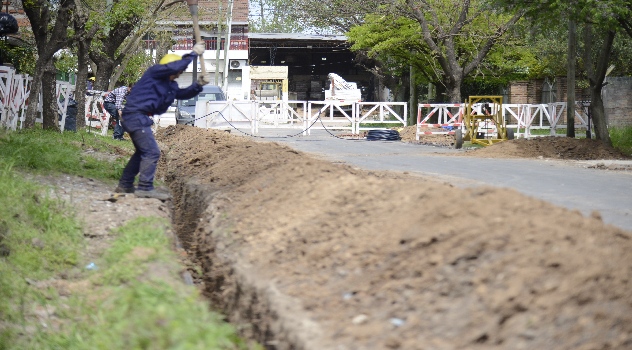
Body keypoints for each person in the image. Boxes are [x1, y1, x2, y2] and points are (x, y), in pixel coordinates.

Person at [115, 42, 209, 200]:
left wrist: (198, 85)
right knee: (152, 152)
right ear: (170, 67)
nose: (179, 73)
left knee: (142, 153)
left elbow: (182, 94)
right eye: (179, 70)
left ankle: (125, 184)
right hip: (135, 115)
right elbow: (174, 67)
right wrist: (193, 54)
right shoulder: (155, 72)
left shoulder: (170, 85)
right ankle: (145, 187)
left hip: (139, 117)